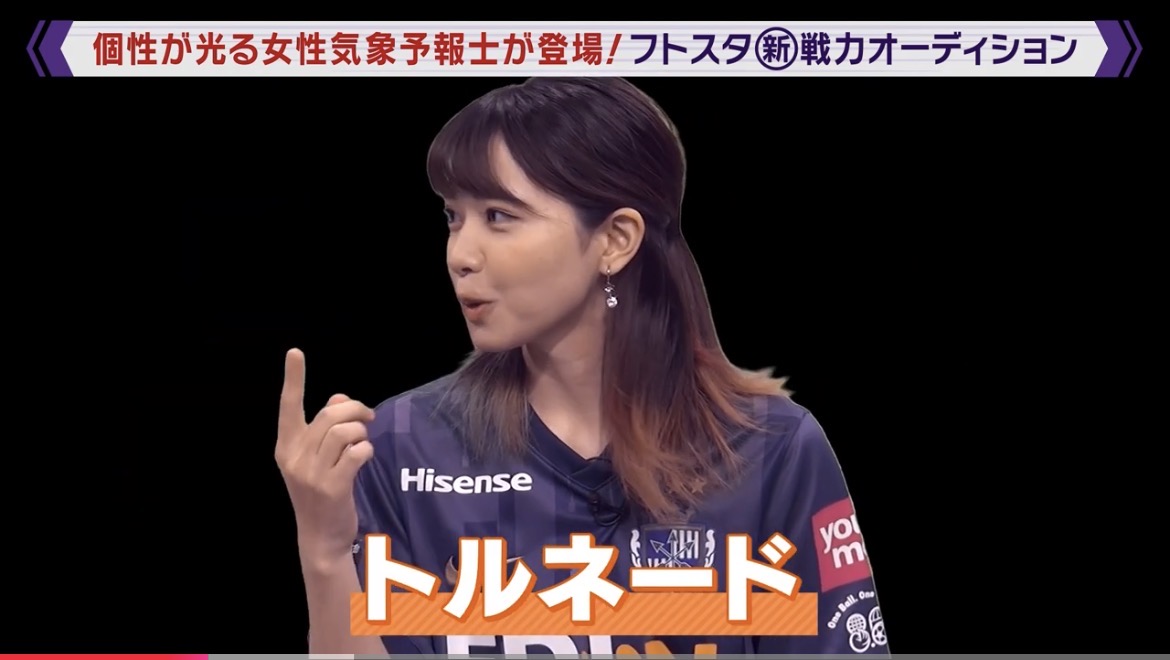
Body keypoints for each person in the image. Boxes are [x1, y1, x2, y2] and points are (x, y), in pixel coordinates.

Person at [275, 77, 888, 656]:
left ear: (616, 239)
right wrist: (325, 550)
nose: (460, 254)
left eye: (499, 216)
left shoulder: (772, 448)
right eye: (452, 217)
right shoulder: (401, 447)